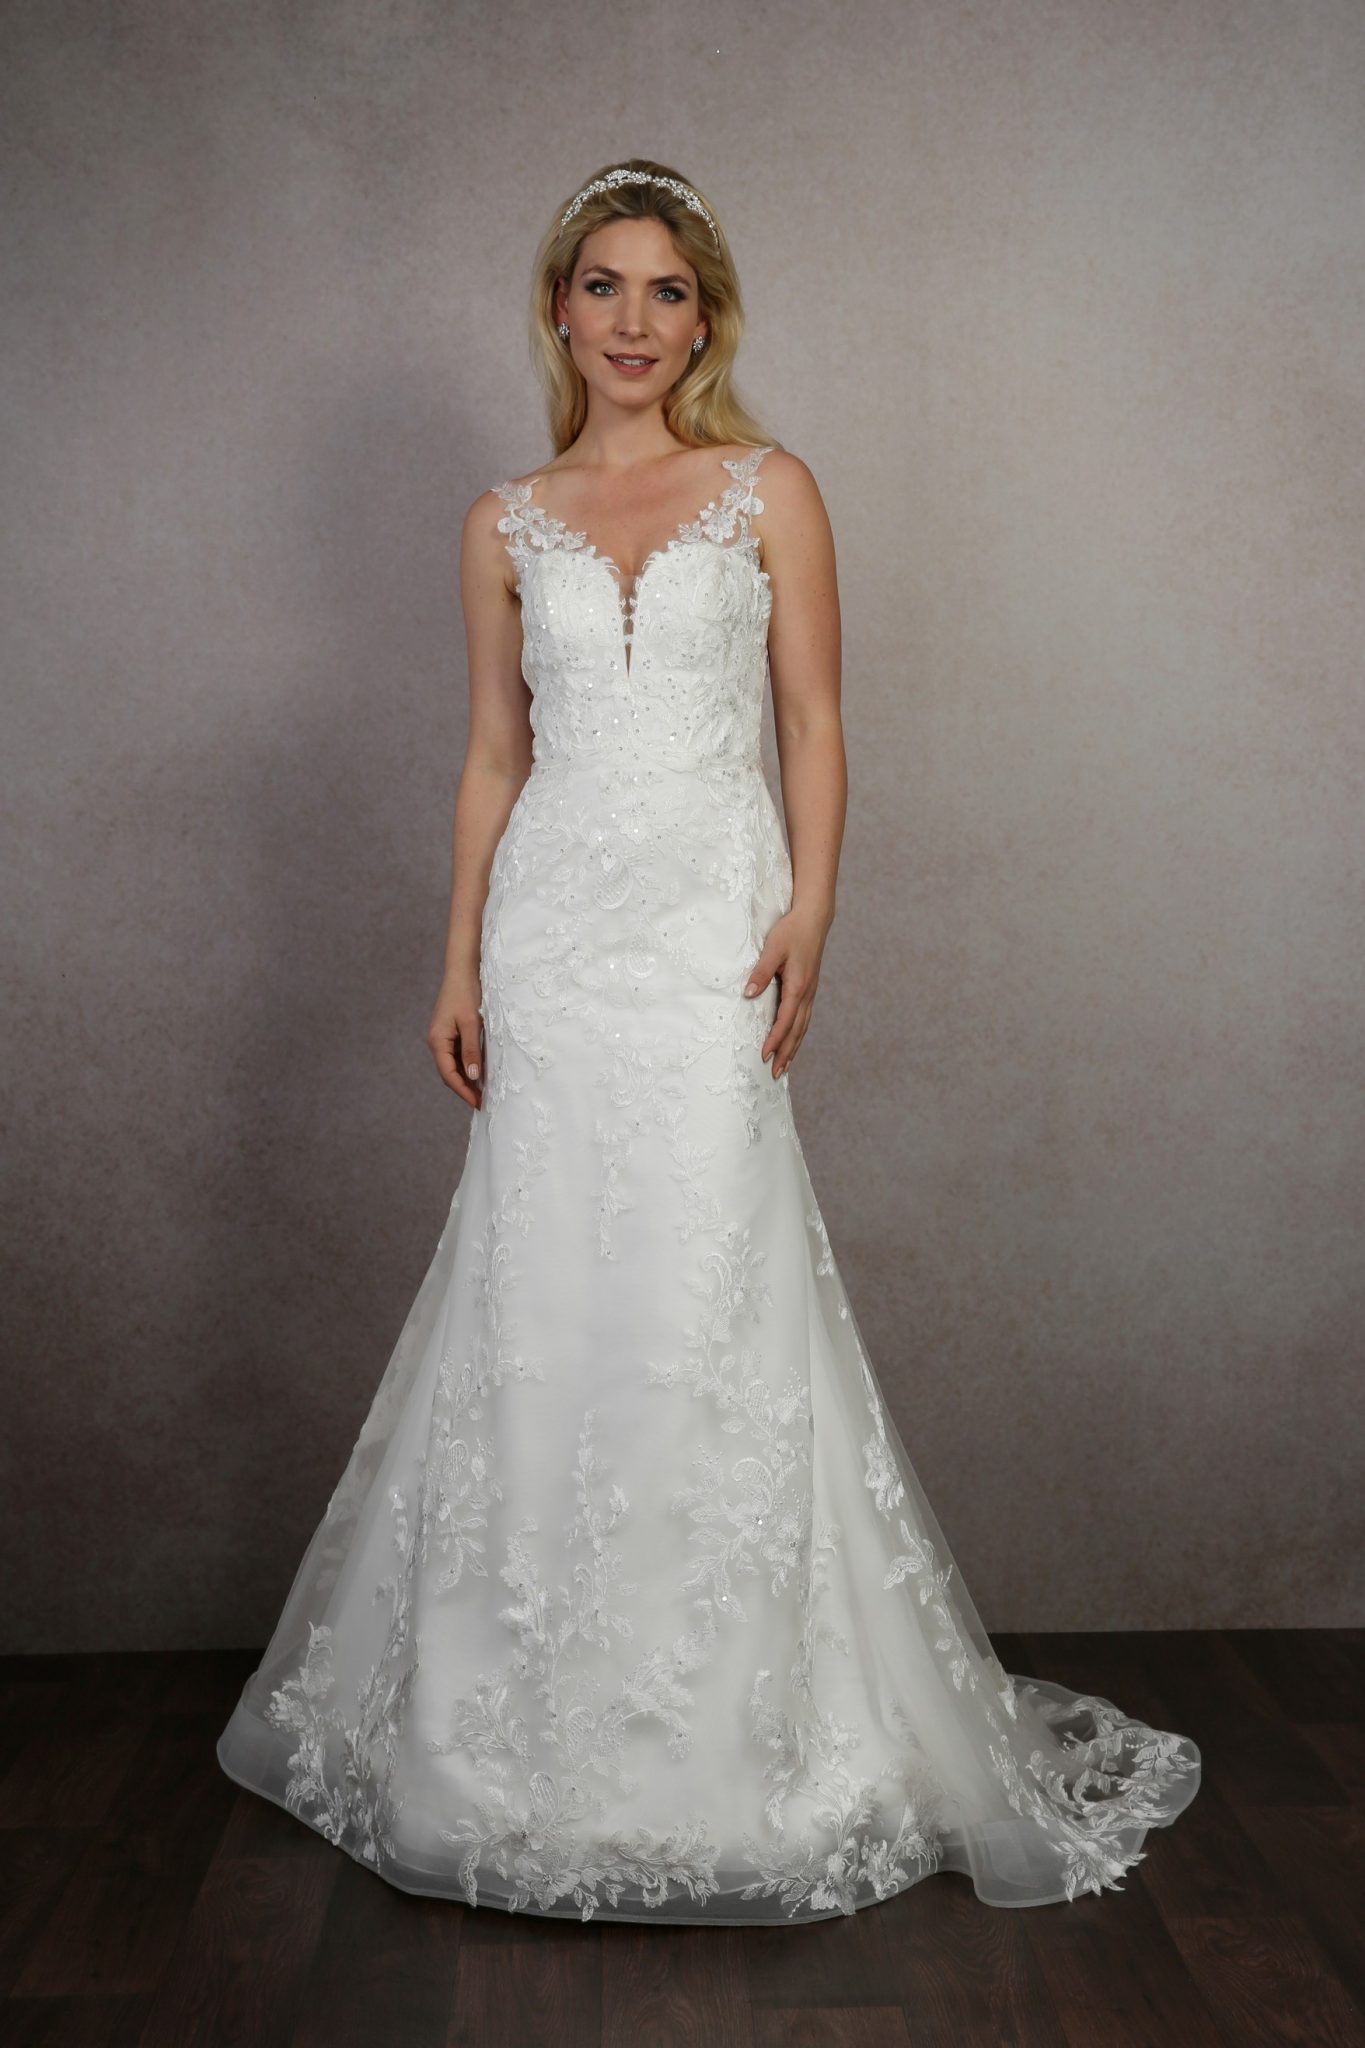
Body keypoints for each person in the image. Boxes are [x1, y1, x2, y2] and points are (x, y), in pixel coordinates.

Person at [216, 158, 1201, 1924]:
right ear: (557, 308)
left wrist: (811, 910)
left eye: (665, 291)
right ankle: (509, 1741)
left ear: (705, 318)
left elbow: (812, 722)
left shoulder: (768, 490)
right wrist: (457, 960)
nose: (632, 320)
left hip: (703, 931)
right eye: (602, 286)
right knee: (545, 1289)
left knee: (700, 1284)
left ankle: (731, 1737)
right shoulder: (502, 520)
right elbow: (493, 754)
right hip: (552, 936)